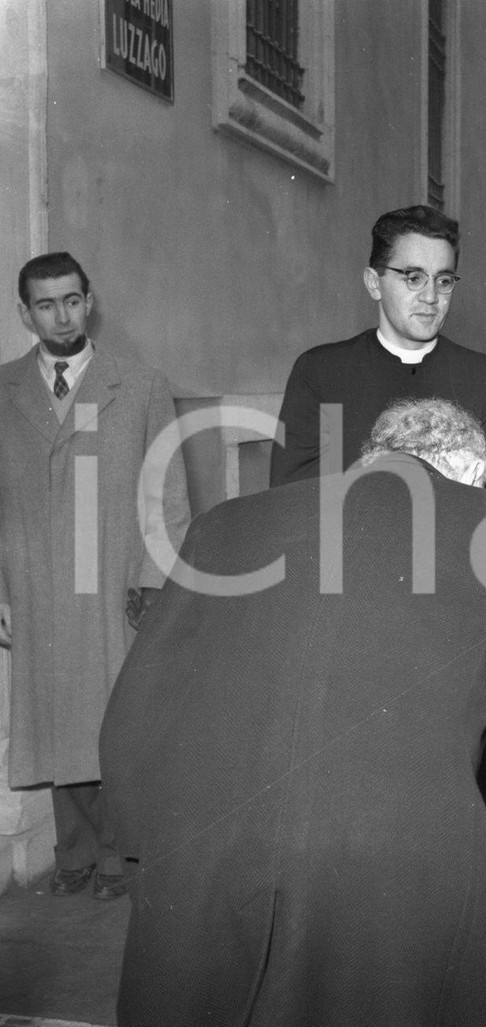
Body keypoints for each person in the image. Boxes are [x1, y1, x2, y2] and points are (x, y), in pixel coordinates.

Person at [99, 398, 486, 1026]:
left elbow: (136, 709)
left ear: (368, 459)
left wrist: (142, 855)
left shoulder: (226, 523)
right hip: (390, 872)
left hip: (203, 850)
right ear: (469, 469)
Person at [0, 251, 190, 901]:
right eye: (46, 304)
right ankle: (73, 854)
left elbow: (166, 490)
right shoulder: (4, 389)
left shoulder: (137, 383)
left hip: (115, 578)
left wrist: (154, 576)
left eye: (72, 300)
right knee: (58, 724)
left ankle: (119, 859)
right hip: (37, 586)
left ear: (91, 300)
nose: (62, 315)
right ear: (24, 313)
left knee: (117, 721)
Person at [269, 204, 486, 486]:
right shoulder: (321, 373)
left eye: (444, 280)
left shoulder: (485, 380)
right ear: (374, 284)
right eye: (414, 278)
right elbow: (291, 499)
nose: (431, 296)